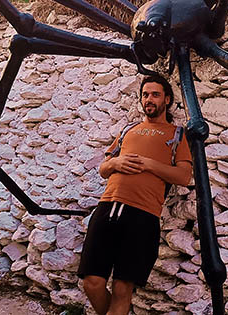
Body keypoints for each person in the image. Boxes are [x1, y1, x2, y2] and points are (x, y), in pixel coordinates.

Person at [78, 74, 193, 315]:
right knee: (92, 282)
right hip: (108, 206)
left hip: (143, 214)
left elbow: (183, 177)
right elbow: (103, 168)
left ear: (167, 100)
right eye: (145, 94)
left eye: (155, 94)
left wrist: (148, 164)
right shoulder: (128, 130)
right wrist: (116, 163)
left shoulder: (177, 134)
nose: (149, 99)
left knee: (122, 288)